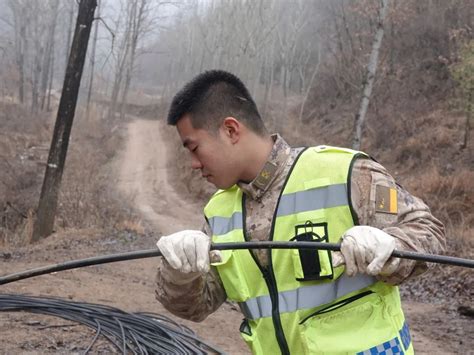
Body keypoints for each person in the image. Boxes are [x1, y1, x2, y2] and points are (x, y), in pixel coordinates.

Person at [155, 70, 445, 354]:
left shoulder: (345, 173)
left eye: (194, 148)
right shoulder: (219, 212)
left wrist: (391, 246)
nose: (193, 163)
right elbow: (196, 306)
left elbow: (428, 232)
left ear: (231, 130)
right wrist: (180, 274)